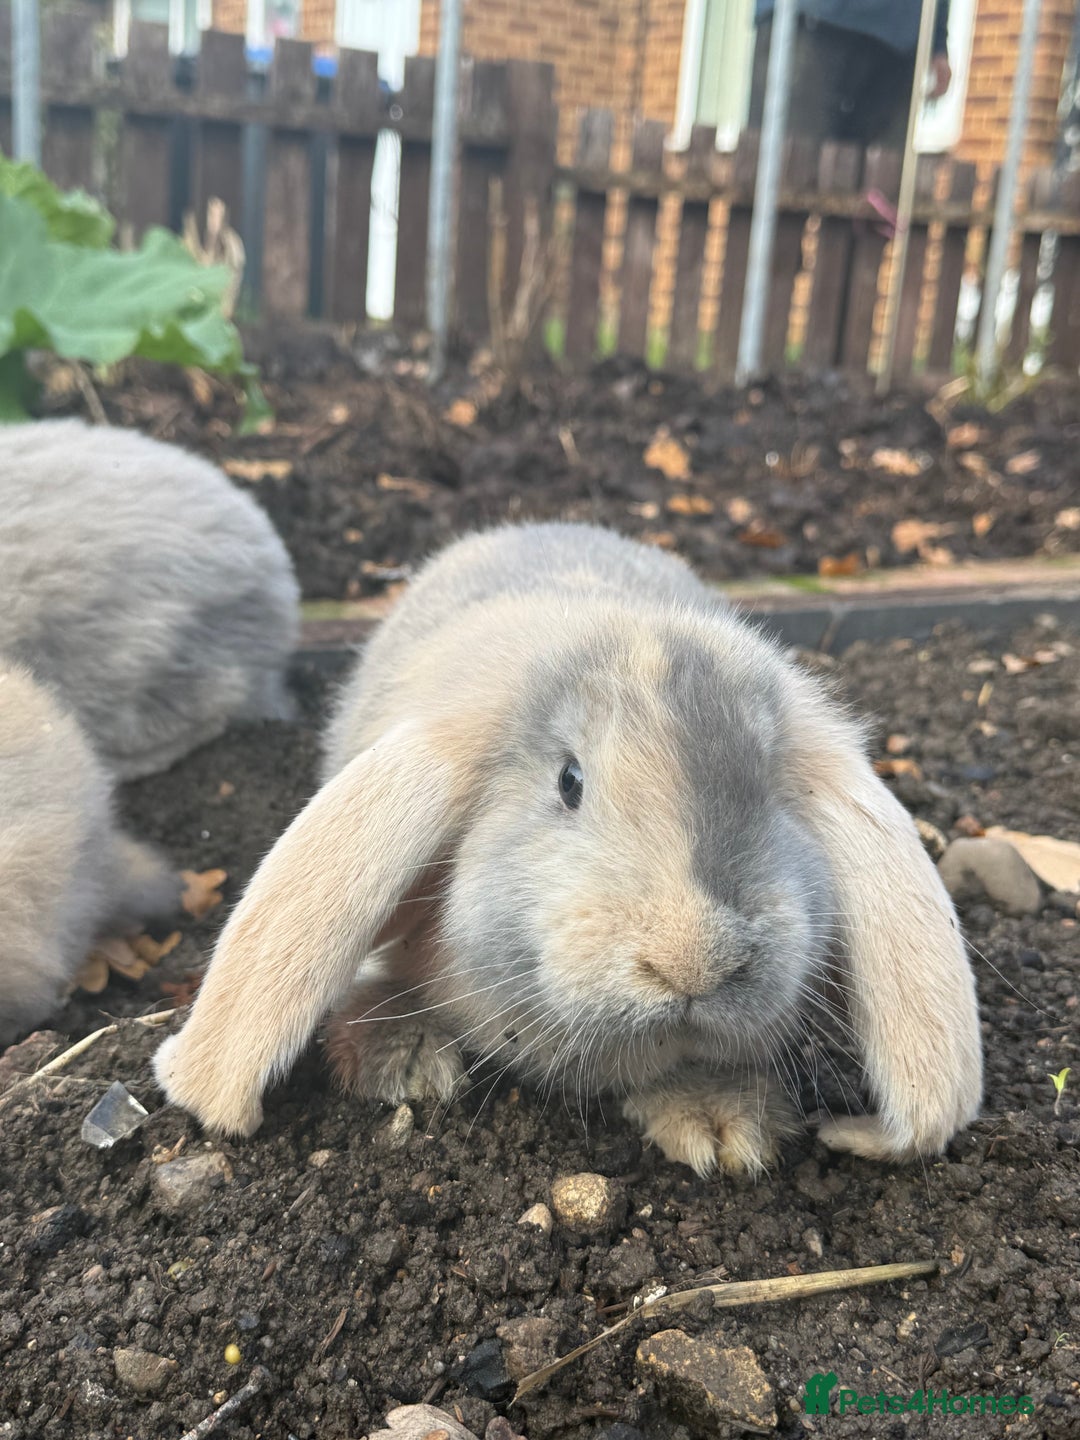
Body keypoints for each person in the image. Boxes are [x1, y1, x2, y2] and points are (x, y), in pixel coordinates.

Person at [749, 0, 952, 148]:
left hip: (899, 39)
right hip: (806, 20)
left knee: (876, 189)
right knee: (788, 172)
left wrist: (937, 37)